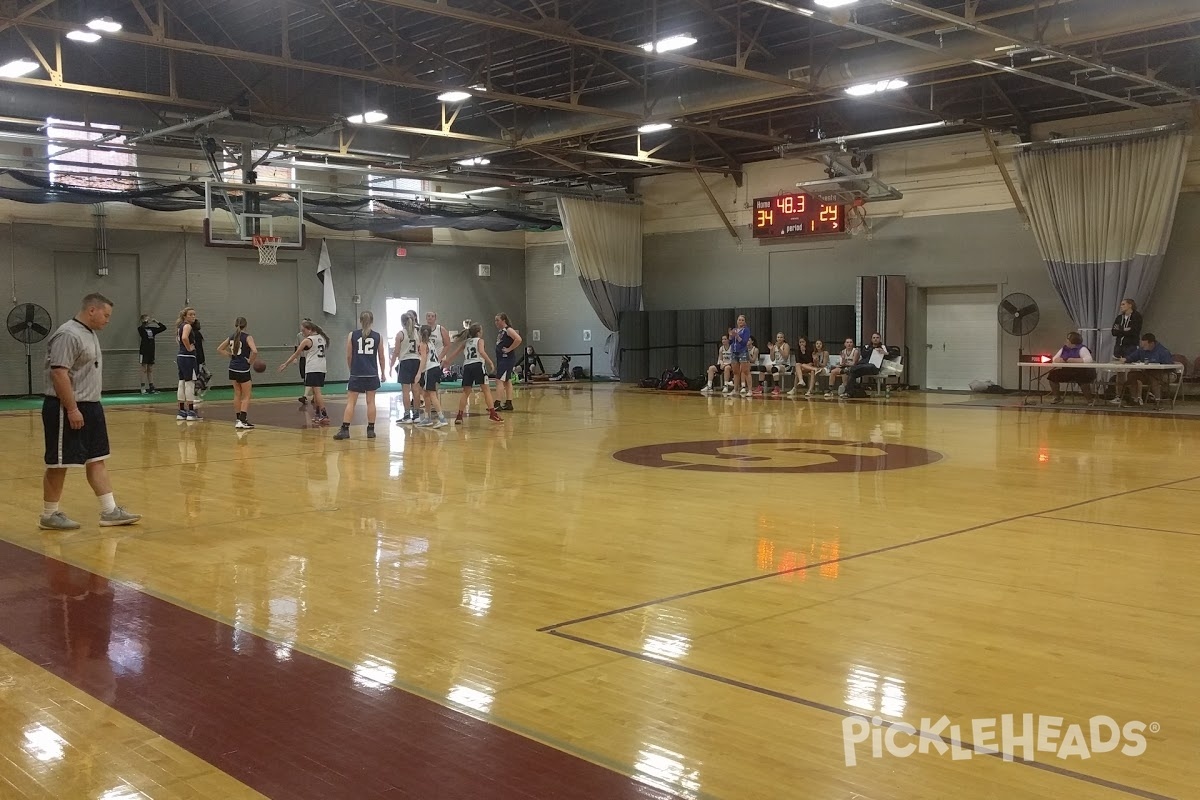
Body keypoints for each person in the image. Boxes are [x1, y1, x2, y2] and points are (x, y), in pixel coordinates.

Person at [39, 293, 141, 530]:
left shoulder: (89, 333)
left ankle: (109, 511)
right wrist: (72, 408)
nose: (108, 320)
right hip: (67, 407)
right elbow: (59, 373)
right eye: (106, 315)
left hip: (92, 405)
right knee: (59, 463)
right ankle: (49, 514)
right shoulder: (68, 334)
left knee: (97, 459)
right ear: (92, 310)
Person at [335, 311, 387, 440]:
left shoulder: (352, 335)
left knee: (351, 402)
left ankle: (345, 429)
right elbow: (381, 357)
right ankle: (370, 430)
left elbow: (349, 355)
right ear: (372, 321)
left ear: (360, 320)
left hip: (357, 373)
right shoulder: (378, 336)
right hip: (371, 373)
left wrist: (351, 369)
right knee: (371, 402)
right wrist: (383, 372)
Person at [443, 323, 503, 424]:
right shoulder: (480, 340)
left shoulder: (466, 342)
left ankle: (459, 416)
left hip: (467, 366)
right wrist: (490, 362)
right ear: (479, 332)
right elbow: (481, 351)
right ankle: (493, 414)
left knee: (465, 392)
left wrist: (447, 361)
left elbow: (455, 353)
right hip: (478, 365)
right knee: (486, 391)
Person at [280, 320, 330, 423]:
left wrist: (286, 364)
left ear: (310, 329)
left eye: (303, 331)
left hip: (313, 368)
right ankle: (317, 415)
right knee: (315, 393)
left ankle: (324, 415)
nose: (302, 333)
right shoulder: (322, 338)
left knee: (317, 392)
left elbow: (296, 354)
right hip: (321, 367)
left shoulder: (308, 340)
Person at [216, 317, 258, 430]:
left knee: (237, 393)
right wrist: (250, 361)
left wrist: (230, 356)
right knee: (247, 395)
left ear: (235, 325)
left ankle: (238, 419)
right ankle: (243, 420)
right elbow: (255, 351)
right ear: (246, 325)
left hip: (232, 368)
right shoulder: (247, 337)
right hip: (243, 369)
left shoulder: (231, 336)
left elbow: (219, 349)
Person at [1122, 333, 1174, 406]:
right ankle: (1134, 399)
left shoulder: (1163, 351)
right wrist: (1125, 359)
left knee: (1153, 376)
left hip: (1162, 374)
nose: (1143, 347)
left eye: (1145, 345)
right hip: (1147, 373)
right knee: (1132, 375)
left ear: (1152, 343)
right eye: (1142, 345)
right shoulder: (1142, 350)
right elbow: (1132, 357)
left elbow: (1168, 365)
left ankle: (1158, 400)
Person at [1047, 331, 1097, 404]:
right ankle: (1057, 398)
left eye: (1068, 339)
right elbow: (1054, 359)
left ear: (1073, 341)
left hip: (1081, 371)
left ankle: (1090, 401)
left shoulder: (1082, 349)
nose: (1066, 341)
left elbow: (1089, 360)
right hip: (1068, 371)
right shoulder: (1064, 349)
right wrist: (1060, 360)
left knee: (1083, 379)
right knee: (1052, 376)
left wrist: (1072, 360)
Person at [415, 324, 449, 428]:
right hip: (435, 368)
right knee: (425, 394)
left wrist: (418, 373)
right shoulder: (430, 342)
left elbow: (424, 359)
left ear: (420, 333)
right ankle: (427, 418)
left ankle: (442, 418)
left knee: (432, 394)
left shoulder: (423, 344)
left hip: (429, 369)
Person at [391, 311, 421, 425]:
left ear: (402, 322)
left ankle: (407, 415)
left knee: (405, 391)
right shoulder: (417, 333)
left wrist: (391, 365)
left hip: (405, 362)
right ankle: (417, 415)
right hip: (416, 361)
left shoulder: (400, 334)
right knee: (416, 390)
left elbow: (396, 352)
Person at [175, 307, 200, 421]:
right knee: (189, 383)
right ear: (185, 316)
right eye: (190, 314)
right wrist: (189, 348)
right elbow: (184, 337)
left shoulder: (179, 327)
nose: (193, 316)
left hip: (180, 356)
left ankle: (181, 411)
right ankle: (190, 412)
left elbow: (178, 339)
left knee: (181, 382)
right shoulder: (187, 326)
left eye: (194, 314)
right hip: (188, 357)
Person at [494, 313, 522, 412]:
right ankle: (509, 403)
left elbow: (518, 339)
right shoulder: (501, 332)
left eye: (497, 320)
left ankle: (497, 403)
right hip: (502, 358)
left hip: (506, 359)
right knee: (507, 380)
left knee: (499, 380)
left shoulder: (508, 330)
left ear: (503, 320)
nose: (496, 322)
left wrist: (510, 349)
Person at [136, 314, 166, 394]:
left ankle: (151, 387)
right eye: (146, 319)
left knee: (150, 369)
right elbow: (141, 329)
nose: (148, 320)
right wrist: (144, 322)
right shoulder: (140, 329)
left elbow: (163, 328)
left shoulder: (152, 329)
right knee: (144, 368)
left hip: (151, 351)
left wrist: (156, 322)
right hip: (144, 351)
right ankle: (142, 387)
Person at [729, 315, 751, 396]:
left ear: (744, 322)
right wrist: (731, 337)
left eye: (742, 320)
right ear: (737, 321)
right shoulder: (734, 330)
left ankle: (749, 390)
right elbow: (730, 343)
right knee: (735, 372)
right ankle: (735, 389)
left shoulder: (746, 330)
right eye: (739, 320)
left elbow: (744, 342)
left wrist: (737, 336)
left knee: (745, 371)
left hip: (742, 351)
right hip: (734, 352)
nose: (740, 321)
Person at [296, 318, 315, 407]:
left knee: (310, 378)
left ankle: (306, 396)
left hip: (311, 360)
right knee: (305, 377)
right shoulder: (299, 336)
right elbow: (297, 347)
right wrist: (295, 358)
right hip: (303, 358)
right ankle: (313, 395)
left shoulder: (314, 337)